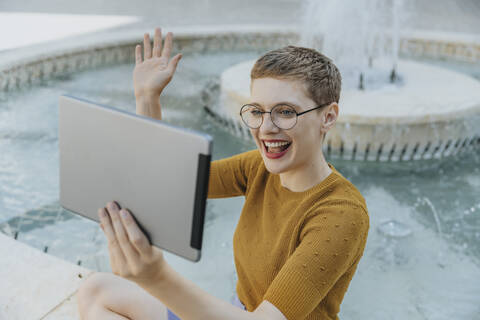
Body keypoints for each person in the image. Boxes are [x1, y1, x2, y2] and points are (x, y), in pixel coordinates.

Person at [76, 27, 370, 320]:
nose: (266, 128)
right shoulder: (259, 168)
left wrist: (157, 277)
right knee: (96, 290)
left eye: (285, 112)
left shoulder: (342, 214)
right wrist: (147, 97)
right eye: (257, 111)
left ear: (328, 117)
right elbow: (166, 177)